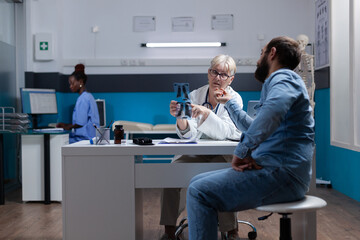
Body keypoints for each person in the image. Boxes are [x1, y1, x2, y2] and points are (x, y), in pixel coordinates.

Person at [186, 36, 315, 240]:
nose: (258, 60)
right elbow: (257, 126)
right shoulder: (284, 82)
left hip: (281, 174)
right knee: (196, 181)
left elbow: (271, 113)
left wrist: (242, 150)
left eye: (261, 53)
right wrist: (231, 105)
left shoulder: (282, 77)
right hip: (281, 172)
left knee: (199, 192)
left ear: (272, 53)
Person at [160, 55, 243, 240]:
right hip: (194, 152)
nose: (218, 78)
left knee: (227, 175)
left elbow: (227, 132)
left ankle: (231, 231)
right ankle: (168, 231)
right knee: (170, 172)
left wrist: (206, 114)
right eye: (215, 72)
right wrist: (180, 118)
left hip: (221, 154)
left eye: (223, 74)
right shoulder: (195, 95)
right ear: (208, 73)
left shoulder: (234, 98)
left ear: (231, 79)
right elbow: (189, 135)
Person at [57, 64, 100, 143]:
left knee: (59, 142)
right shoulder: (88, 96)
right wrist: (66, 125)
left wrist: (67, 127)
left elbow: (80, 123)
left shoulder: (83, 99)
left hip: (85, 140)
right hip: (91, 137)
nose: (70, 86)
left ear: (80, 82)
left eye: (72, 83)